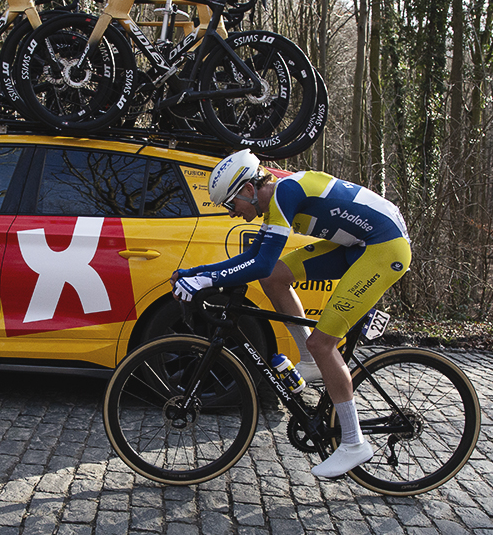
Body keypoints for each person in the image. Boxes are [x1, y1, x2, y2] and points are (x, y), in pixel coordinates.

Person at [171, 149, 412, 478]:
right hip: (360, 243)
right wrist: (195, 272)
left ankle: (354, 443)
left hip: (384, 247)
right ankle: (310, 361)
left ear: (247, 190)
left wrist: (204, 280)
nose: (232, 214)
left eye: (231, 204)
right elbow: (260, 261)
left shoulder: (284, 193)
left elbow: (259, 262)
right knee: (275, 279)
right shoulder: (277, 198)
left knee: (323, 343)